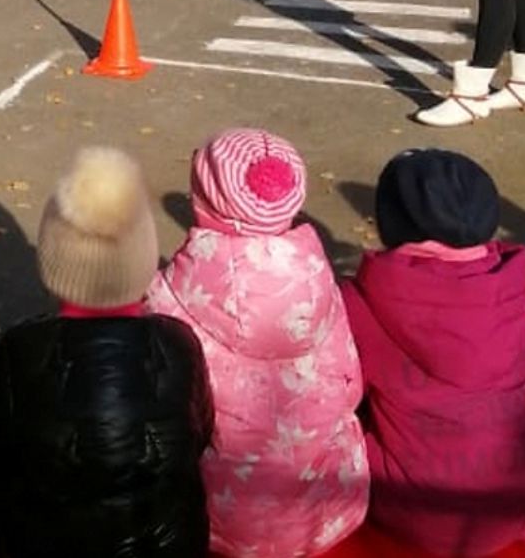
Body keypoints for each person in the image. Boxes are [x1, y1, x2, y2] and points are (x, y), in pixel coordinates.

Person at [0, 146, 214, 558]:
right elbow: (202, 433)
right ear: (142, 260)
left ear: (53, 263)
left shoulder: (18, 350)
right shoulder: (179, 344)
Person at [145, 129, 368, 556]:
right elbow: (350, 385)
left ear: (203, 199)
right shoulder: (321, 280)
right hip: (331, 507)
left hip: (219, 519)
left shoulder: (166, 294)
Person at [340, 149, 525, 556]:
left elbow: (341, 393)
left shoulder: (363, 298)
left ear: (390, 222)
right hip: (522, 490)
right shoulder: (514, 282)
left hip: (422, 511)